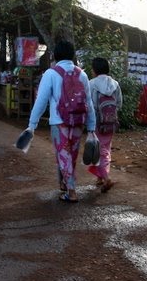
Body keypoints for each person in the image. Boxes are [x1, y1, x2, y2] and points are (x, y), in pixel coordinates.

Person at [27, 40, 96, 203]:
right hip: (78, 121)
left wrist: (32, 124)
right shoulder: (82, 74)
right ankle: (65, 184)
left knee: (63, 155)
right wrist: (91, 126)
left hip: (59, 122)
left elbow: (41, 101)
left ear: (55, 55)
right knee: (70, 155)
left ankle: (71, 192)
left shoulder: (51, 74)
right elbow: (89, 102)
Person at [87, 57, 122, 192]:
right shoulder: (115, 84)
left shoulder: (91, 84)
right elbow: (119, 103)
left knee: (99, 150)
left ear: (95, 70)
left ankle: (106, 178)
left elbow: (89, 104)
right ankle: (100, 177)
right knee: (105, 148)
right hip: (111, 122)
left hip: (96, 121)